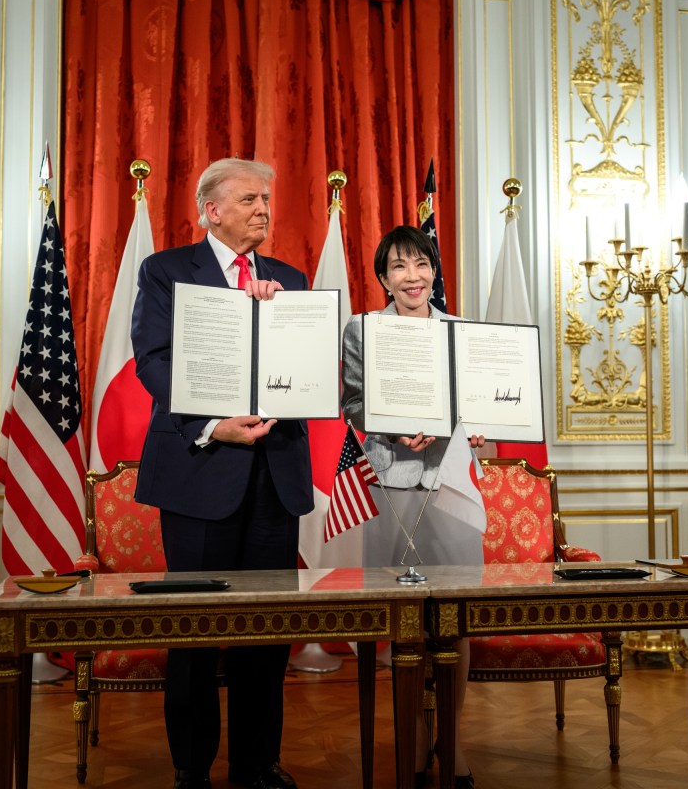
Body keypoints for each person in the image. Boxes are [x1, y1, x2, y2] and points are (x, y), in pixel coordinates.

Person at [132, 158, 312, 789]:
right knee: (195, 629)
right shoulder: (165, 271)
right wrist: (213, 425)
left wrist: (289, 321)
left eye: (267, 198)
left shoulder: (289, 279)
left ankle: (257, 765)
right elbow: (153, 361)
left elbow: (306, 371)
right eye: (248, 199)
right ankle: (192, 769)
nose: (263, 208)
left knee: (266, 632)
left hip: (275, 478)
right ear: (211, 209)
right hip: (200, 468)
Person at [340, 225, 484, 789]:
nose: (412, 277)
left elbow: (482, 404)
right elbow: (351, 402)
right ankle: (413, 741)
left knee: (455, 621)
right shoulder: (362, 330)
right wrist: (392, 428)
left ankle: (451, 740)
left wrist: (480, 428)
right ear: (383, 278)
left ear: (433, 272)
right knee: (404, 623)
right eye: (398, 267)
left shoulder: (460, 331)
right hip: (389, 482)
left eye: (421, 264)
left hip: (449, 482)